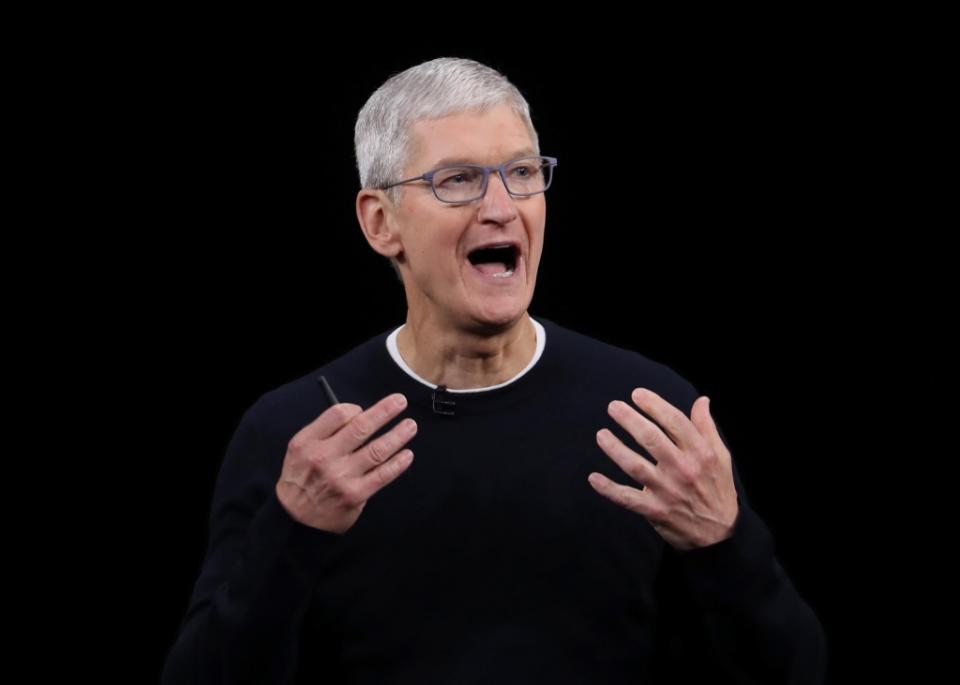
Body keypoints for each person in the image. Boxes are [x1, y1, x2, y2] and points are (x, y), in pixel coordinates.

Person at [161, 57, 827, 684]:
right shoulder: (297, 434)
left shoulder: (649, 418)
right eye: (457, 180)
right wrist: (291, 528)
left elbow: (793, 671)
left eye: (523, 173)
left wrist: (723, 541)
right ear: (380, 221)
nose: (501, 207)